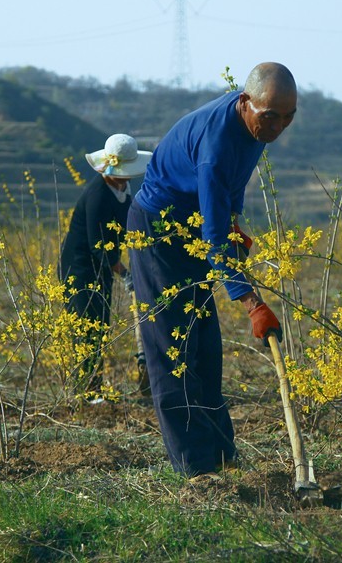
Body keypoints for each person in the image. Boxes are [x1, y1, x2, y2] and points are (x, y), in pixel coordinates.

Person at [126, 62, 297, 476]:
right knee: (175, 349)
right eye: (270, 117)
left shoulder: (257, 129)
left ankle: (221, 455)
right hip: (159, 232)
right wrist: (252, 303)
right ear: (245, 102)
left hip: (194, 226)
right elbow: (214, 236)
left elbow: (230, 192)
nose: (278, 127)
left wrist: (234, 222)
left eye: (288, 118)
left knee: (204, 345)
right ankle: (196, 469)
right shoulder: (216, 146)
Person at [60, 133, 151, 402]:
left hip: (101, 269)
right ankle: (86, 393)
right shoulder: (98, 195)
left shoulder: (123, 190)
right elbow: (98, 244)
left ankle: (94, 388)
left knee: (100, 326)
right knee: (87, 328)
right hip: (80, 269)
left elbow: (127, 227)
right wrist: (124, 273)